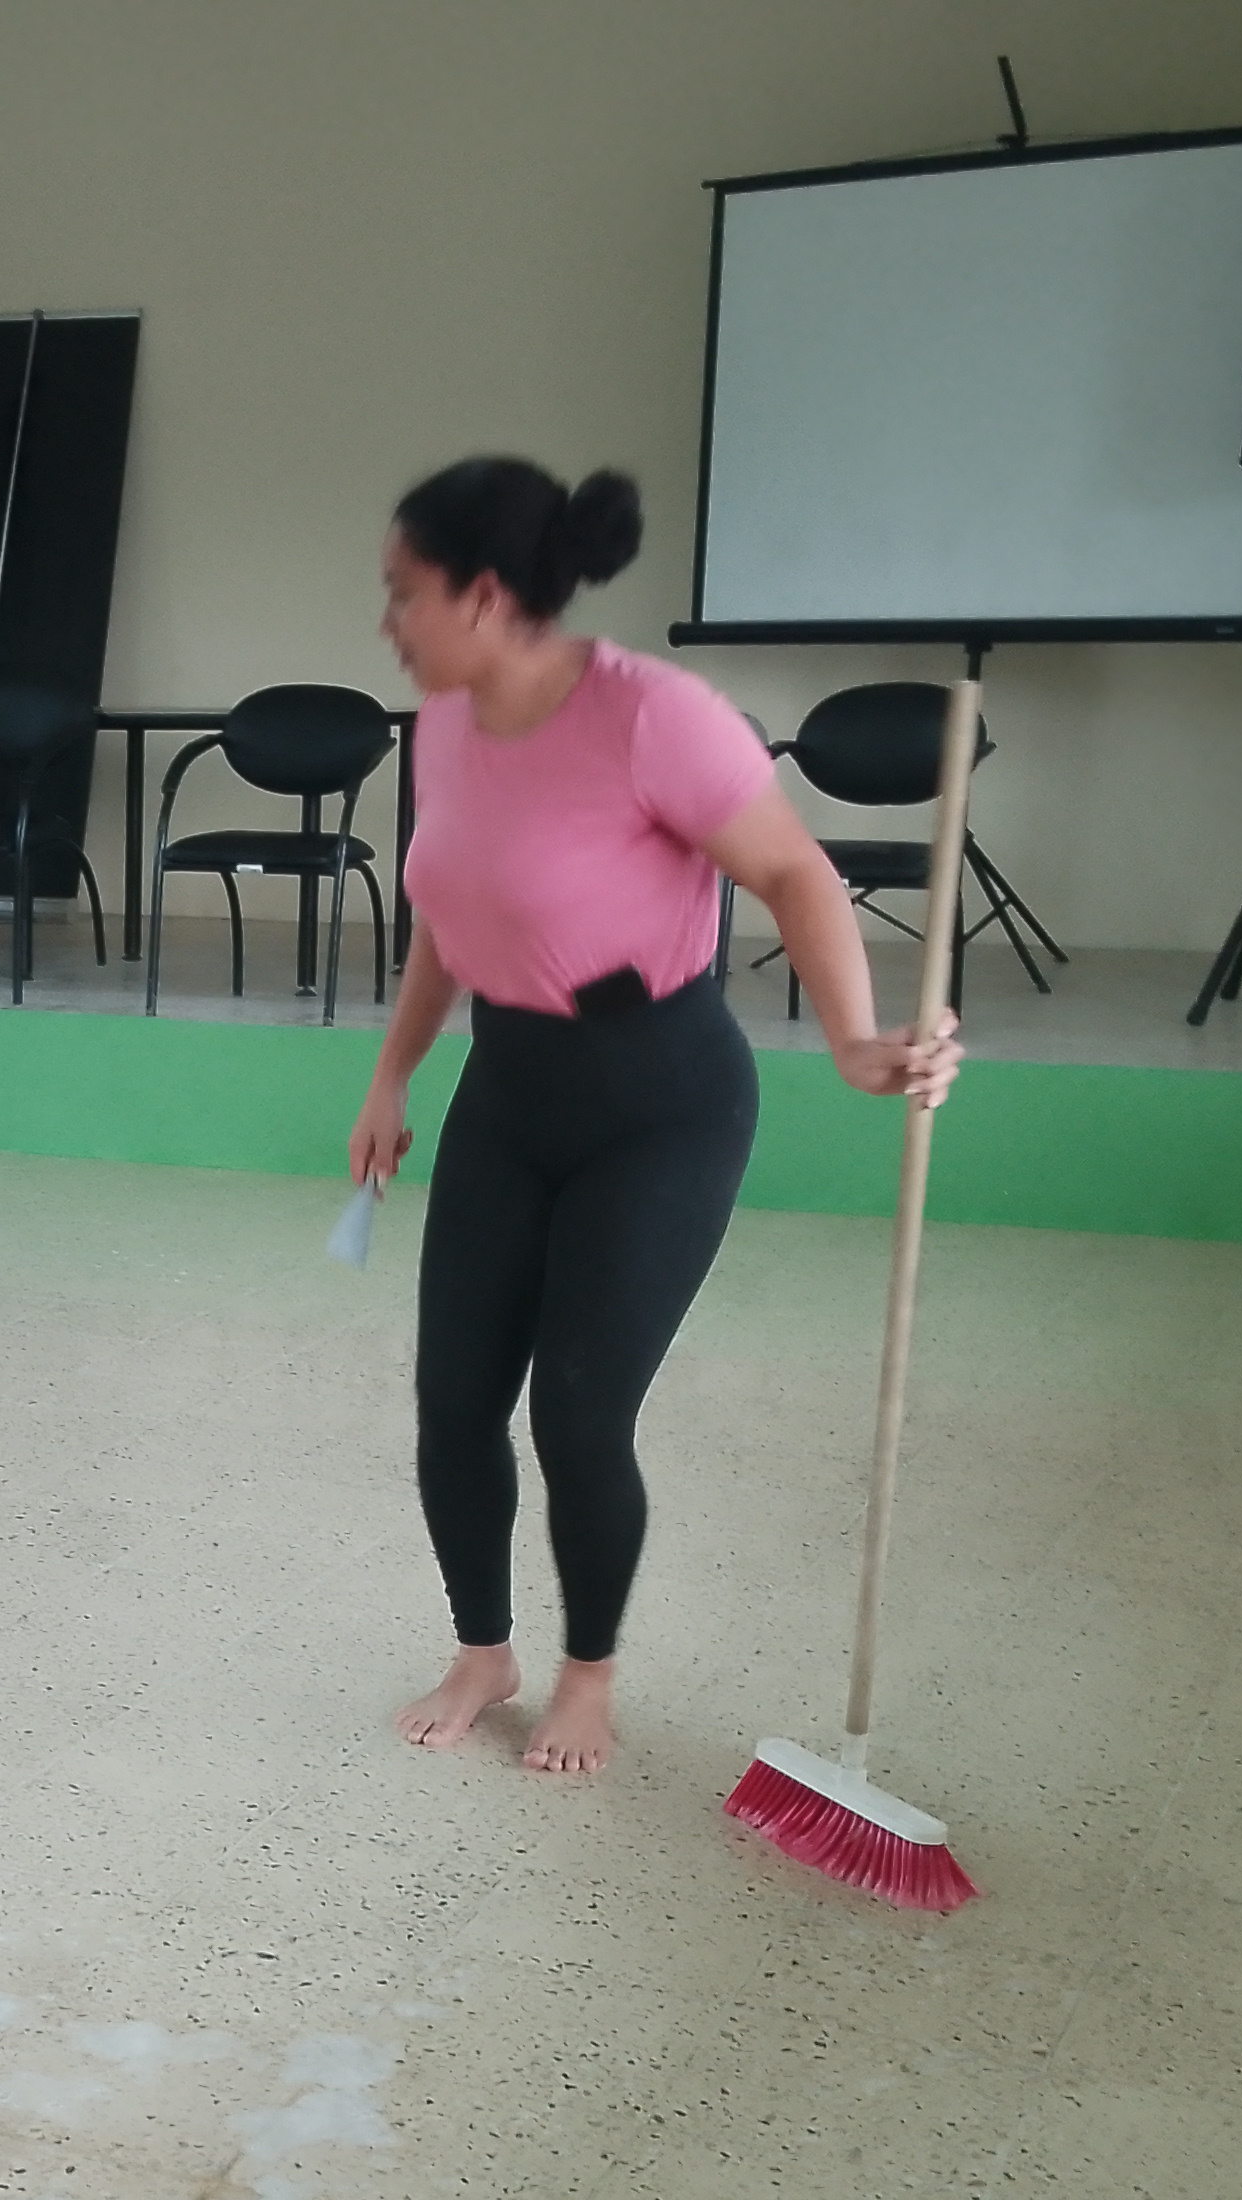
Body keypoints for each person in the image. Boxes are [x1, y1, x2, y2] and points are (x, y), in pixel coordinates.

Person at [352, 459, 959, 1778]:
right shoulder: (442, 726)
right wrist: (393, 1074)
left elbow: (793, 870)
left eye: (403, 594)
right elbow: (449, 914)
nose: (387, 622)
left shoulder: (653, 716)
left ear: (485, 594)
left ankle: (589, 1677)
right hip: (508, 1088)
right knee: (454, 1401)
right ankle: (483, 1651)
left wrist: (854, 1040)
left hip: (658, 1103)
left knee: (578, 1415)